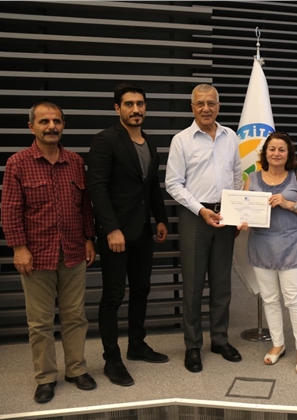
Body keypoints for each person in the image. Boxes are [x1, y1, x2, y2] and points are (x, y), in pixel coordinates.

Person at [1, 101, 97, 403]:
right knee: (40, 323)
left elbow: (84, 206)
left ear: (63, 125)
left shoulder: (75, 161)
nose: (51, 126)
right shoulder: (17, 163)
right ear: (32, 127)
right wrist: (19, 248)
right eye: (44, 121)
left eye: (56, 121)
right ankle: (45, 378)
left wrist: (89, 238)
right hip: (36, 254)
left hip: (73, 251)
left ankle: (76, 370)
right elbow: (10, 210)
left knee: (75, 316)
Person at [87, 83, 169, 387]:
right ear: (117, 108)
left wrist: (161, 218)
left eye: (140, 104)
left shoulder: (149, 142)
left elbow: (151, 185)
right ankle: (112, 359)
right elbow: (97, 187)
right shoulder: (105, 140)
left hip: (143, 231)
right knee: (113, 296)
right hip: (116, 234)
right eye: (129, 104)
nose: (136, 109)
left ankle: (136, 344)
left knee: (141, 289)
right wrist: (111, 229)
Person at [164, 84, 243, 373]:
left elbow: (237, 175)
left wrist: (235, 212)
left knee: (222, 284)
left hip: (225, 216)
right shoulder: (181, 140)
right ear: (192, 107)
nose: (206, 108)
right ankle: (193, 345)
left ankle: (220, 339)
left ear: (218, 106)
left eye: (211, 103)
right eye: (200, 104)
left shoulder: (230, 136)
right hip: (195, 216)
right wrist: (201, 209)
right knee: (194, 285)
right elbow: (173, 184)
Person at [237, 132, 297, 374]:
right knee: (269, 298)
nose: (276, 153)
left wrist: (288, 203)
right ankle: (278, 344)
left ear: (288, 154)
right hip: (261, 246)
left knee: (294, 299)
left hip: (291, 245)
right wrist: (242, 221)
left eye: (282, 149)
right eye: (272, 149)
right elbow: (243, 209)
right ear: (265, 153)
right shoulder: (252, 178)